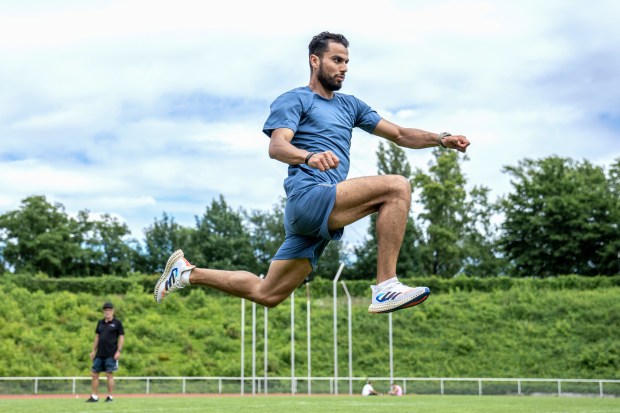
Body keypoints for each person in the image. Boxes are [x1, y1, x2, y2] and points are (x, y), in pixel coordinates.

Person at [154, 31, 470, 313]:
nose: (344, 67)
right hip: (308, 196)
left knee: (268, 293)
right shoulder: (295, 99)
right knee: (397, 186)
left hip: (317, 212)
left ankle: (186, 273)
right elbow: (277, 147)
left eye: (347, 61)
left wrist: (441, 139)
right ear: (314, 60)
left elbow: (400, 134)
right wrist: (309, 157)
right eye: (336, 60)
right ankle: (386, 286)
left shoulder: (351, 106)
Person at [86, 302, 124, 403]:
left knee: (109, 374)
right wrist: (93, 350)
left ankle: (110, 396)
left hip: (111, 353)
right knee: (94, 373)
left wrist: (118, 351)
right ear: (103, 311)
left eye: (109, 310)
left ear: (113, 311)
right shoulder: (100, 323)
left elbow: (121, 337)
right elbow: (97, 337)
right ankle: (94, 396)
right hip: (99, 353)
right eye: (106, 310)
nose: (107, 312)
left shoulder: (117, 323)